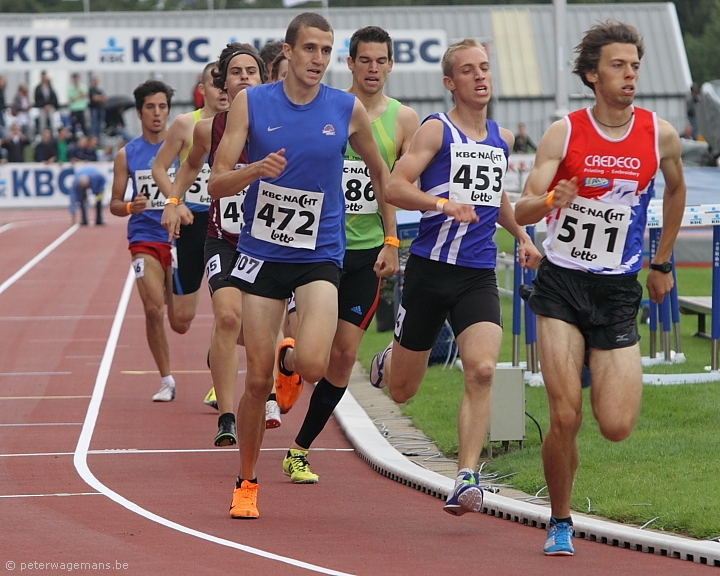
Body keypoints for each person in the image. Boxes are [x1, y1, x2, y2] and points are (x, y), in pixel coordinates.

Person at [208, 12, 391, 519]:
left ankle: (291, 364)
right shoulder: (252, 102)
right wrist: (254, 170)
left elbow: (380, 174)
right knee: (254, 380)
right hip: (263, 255)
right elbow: (217, 182)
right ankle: (246, 480)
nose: (318, 59)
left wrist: (394, 234)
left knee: (314, 363)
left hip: (318, 254)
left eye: (326, 51)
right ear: (287, 52)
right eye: (309, 49)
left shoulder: (346, 108)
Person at [514, 21, 686, 557]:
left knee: (614, 425)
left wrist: (662, 261)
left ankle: (584, 374)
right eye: (618, 64)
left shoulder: (659, 134)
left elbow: (676, 190)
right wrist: (549, 201)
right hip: (562, 285)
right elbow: (518, 209)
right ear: (592, 74)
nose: (630, 72)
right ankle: (560, 519)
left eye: (635, 64)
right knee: (565, 413)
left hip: (616, 291)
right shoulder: (564, 132)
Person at [370, 38, 541, 516]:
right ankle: (392, 355)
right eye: (468, 70)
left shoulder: (502, 140)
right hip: (428, 271)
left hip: (477, 274)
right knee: (403, 389)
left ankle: (467, 476)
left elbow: (498, 197)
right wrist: (442, 204)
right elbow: (394, 186)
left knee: (482, 370)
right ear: (450, 82)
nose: (480, 76)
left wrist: (523, 237)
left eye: (485, 68)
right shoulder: (435, 131)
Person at [281, 26, 418, 484]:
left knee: (341, 359)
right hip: (319, 251)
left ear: (391, 65)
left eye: (381, 60)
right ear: (352, 64)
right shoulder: (331, 109)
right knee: (308, 356)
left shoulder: (404, 121)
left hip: (368, 253)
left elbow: (393, 184)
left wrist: (392, 239)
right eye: (365, 60)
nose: (373, 68)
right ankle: (285, 361)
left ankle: (299, 449)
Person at [165, 44, 274, 447]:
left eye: (251, 71)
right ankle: (227, 416)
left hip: (269, 244)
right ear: (223, 83)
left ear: (263, 79)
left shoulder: (283, 124)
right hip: (224, 240)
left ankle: (262, 388)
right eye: (235, 72)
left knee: (255, 329)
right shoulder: (208, 129)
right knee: (227, 317)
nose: (244, 78)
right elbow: (191, 164)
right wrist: (175, 202)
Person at [109, 79, 181, 402]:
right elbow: (113, 204)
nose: (157, 113)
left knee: (179, 320)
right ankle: (166, 379)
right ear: (139, 113)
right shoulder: (127, 155)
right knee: (154, 310)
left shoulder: (183, 147)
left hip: (179, 237)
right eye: (150, 107)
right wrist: (129, 206)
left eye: (162, 106)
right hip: (145, 238)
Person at [153, 62, 230, 337]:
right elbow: (159, 168)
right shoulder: (186, 124)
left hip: (229, 226)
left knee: (230, 313)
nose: (222, 91)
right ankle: (168, 278)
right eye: (214, 84)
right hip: (193, 223)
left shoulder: (245, 123)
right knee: (181, 320)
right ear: (202, 89)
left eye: (226, 84)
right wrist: (176, 203)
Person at [34, 71, 59, 135]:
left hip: (50, 107)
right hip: (42, 108)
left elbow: (53, 97)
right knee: (42, 123)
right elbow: (37, 99)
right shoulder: (38, 88)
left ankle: (53, 134)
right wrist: (44, 105)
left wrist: (49, 105)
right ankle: (42, 134)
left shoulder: (50, 87)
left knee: (52, 121)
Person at [68, 73, 89, 137]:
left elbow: (86, 95)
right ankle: (73, 139)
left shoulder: (82, 86)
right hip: (74, 109)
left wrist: (80, 91)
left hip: (81, 108)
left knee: (83, 126)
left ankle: (86, 138)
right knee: (73, 126)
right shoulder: (70, 88)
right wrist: (79, 96)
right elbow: (71, 99)